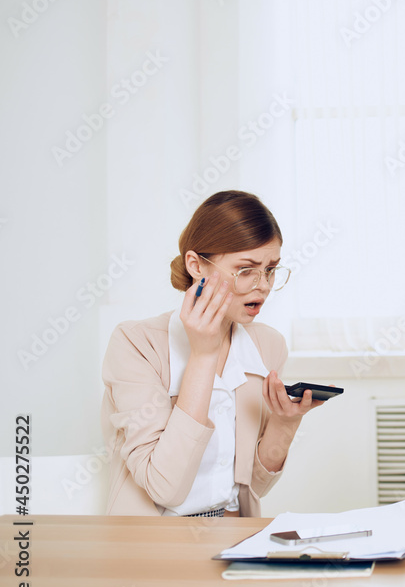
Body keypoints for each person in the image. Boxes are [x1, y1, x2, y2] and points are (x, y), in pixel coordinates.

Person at [101, 190, 326, 516]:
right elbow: (164, 487)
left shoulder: (268, 345)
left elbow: (254, 486)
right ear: (196, 266)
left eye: (271, 269)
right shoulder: (136, 344)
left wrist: (284, 423)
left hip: (235, 536)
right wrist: (203, 356)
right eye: (245, 269)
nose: (262, 285)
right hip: (154, 547)